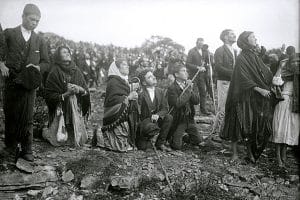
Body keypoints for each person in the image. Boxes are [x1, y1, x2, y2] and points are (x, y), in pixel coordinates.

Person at [0, 4, 50, 161]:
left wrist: (38, 66)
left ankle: (27, 149)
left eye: (37, 21)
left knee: (27, 116)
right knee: (11, 114)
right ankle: (10, 147)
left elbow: (46, 62)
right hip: (11, 81)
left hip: (29, 83)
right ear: (23, 16)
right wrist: (1, 64)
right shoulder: (8, 34)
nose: (34, 23)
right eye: (32, 19)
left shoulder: (40, 40)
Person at [221, 31, 274, 163]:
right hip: (241, 95)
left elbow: (265, 73)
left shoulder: (254, 56)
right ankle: (234, 153)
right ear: (245, 40)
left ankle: (250, 152)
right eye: (253, 37)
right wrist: (259, 89)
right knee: (237, 123)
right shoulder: (241, 58)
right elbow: (242, 78)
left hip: (252, 96)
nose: (256, 39)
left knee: (252, 124)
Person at [44, 46, 90, 146]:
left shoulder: (76, 70)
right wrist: (67, 94)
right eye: (64, 52)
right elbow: (49, 96)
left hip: (75, 109)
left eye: (68, 52)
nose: (67, 53)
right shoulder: (54, 72)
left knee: (80, 140)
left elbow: (85, 90)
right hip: (60, 111)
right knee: (58, 140)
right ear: (58, 56)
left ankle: (74, 131)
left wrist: (79, 89)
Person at [97, 59, 139, 152]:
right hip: (115, 118)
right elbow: (113, 100)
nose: (127, 66)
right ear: (117, 68)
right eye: (124, 64)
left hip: (124, 118)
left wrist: (131, 89)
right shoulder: (113, 82)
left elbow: (123, 91)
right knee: (118, 146)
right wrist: (128, 97)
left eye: (127, 64)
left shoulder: (122, 80)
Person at [271, 46, 299, 167]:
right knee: (280, 128)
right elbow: (276, 81)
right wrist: (280, 67)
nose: (296, 63)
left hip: (295, 104)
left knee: (290, 129)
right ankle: (278, 155)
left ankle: (284, 152)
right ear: (289, 62)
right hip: (284, 101)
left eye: (298, 61)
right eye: (293, 61)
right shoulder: (285, 72)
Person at [136, 69, 173, 152]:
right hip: (145, 123)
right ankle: (145, 139)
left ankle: (160, 143)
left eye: (153, 75)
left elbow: (165, 108)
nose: (153, 77)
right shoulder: (140, 94)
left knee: (168, 117)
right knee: (145, 148)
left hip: (156, 120)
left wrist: (158, 115)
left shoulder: (160, 91)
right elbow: (137, 113)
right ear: (144, 83)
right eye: (149, 77)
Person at [167, 63, 202, 150]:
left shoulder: (188, 85)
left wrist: (190, 89)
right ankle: (173, 137)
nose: (186, 73)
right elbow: (178, 103)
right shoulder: (172, 88)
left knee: (198, 141)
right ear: (176, 74)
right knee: (176, 146)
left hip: (189, 119)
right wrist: (188, 89)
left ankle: (185, 137)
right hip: (179, 120)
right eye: (183, 71)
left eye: (186, 71)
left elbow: (196, 101)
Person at [214, 29, 237, 134]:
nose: (234, 35)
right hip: (223, 82)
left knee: (231, 107)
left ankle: (225, 132)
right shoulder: (220, 50)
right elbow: (218, 67)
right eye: (231, 34)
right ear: (225, 37)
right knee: (222, 108)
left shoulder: (234, 50)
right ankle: (216, 133)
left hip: (232, 82)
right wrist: (234, 73)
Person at [186, 38, 210, 115]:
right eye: (199, 43)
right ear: (196, 43)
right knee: (194, 93)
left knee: (203, 92)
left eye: (202, 44)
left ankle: (203, 110)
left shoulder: (205, 52)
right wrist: (197, 67)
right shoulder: (192, 51)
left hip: (202, 76)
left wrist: (207, 65)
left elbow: (207, 62)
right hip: (194, 75)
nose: (201, 45)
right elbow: (188, 64)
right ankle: (193, 110)